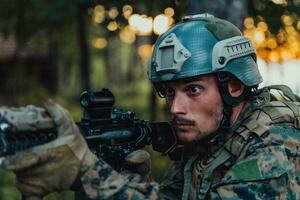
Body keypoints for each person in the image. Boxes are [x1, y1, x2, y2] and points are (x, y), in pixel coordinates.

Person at [1, 13, 300, 200]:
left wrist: (88, 173)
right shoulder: (208, 143)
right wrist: (125, 181)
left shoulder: (276, 144)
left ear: (234, 86)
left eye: (193, 90)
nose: (175, 108)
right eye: (169, 92)